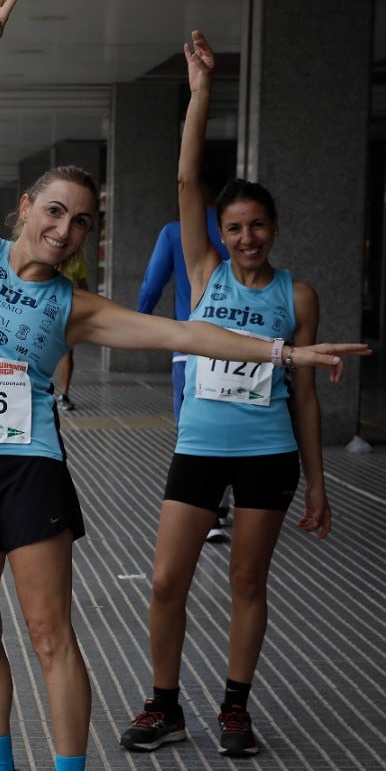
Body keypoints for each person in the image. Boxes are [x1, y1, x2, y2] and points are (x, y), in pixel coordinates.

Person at [0, 0, 367, 771]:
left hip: (27, 469)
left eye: (81, 222)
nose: (66, 229)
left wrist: (284, 355)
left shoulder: (77, 308)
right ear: (23, 213)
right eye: (54, 212)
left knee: (50, 632)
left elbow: (186, 329)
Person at [119, 28, 363, 764]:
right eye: (235, 228)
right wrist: (200, 94)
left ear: (274, 228)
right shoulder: (204, 274)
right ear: (219, 235)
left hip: (268, 453)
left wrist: (318, 484)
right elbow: (188, 182)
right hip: (198, 447)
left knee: (248, 579)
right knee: (166, 581)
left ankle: (234, 706)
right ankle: (164, 705)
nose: (246, 236)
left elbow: (307, 399)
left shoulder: (300, 296)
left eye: (257, 225)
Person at [137, 185, 233, 542]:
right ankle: (221, 507)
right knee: (231, 421)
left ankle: (207, 511)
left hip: (190, 350)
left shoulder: (174, 232)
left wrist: (140, 322)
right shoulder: (235, 230)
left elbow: (151, 285)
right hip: (241, 347)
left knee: (193, 429)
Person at [51, 256, 88, 412]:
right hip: (41, 309)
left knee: (67, 354)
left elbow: (84, 288)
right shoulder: (46, 256)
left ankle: (64, 394)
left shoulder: (76, 260)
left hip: (66, 313)